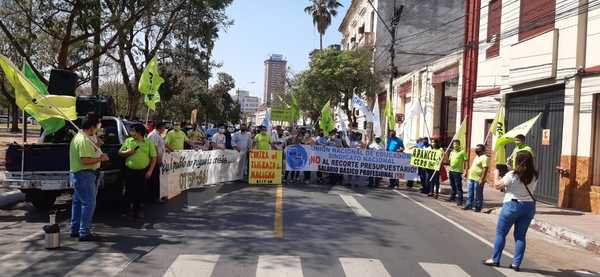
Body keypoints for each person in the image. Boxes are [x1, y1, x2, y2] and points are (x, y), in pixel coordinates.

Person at [483, 151, 538, 271]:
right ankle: (516, 264)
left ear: (517, 161)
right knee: (520, 236)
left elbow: (497, 186)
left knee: (501, 233)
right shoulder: (534, 175)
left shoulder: (512, 175)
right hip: (528, 207)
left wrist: (497, 174)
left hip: (512, 205)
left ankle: (495, 259)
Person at [69, 116, 109, 241]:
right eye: (97, 126)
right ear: (91, 127)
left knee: (78, 202)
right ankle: (84, 232)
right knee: (89, 203)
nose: (98, 128)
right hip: (84, 174)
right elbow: (85, 160)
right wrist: (100, 159)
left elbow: (88, 153)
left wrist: (96, 144)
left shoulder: (80, 137)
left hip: (79, 174)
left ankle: (75, 229)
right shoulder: (84, 140)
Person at [119, 124, 157, 218]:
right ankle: (126, 210)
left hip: (143, 171)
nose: (132, 133)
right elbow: (120, 152)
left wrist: (150, 171)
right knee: (128, 191)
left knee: (141, 192)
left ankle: (138, 211)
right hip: (129, 171)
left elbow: (154, 158)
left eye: (133, 131)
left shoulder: (148, 142)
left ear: (139, 132)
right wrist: (128, 152)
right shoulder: (128, 140)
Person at [464, 144, 489, 212]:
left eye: (478, 149)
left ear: (482, 150)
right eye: (476, 149)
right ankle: (469, 204)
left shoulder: (485, 157)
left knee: (478, 193)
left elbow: (485, 169)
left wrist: (482, 179)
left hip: (478, 178)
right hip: (471, 177)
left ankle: (478, 206)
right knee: (470, 192)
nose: (476, 150)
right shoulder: (477, 156)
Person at [147, 122, 166, 202]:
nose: (164, 129)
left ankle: (154, 197)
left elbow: (160, 146)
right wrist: (158, 159)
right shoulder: (154, 135)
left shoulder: (157, 135)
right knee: (154, 180)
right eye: (164, 128)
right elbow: (154, 148)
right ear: (160, 127)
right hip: (153, 161)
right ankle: (154, 198)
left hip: (156, 160)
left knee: (155, 179)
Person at [448, 139, 468, 205]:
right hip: (451, 170)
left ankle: (460, 200)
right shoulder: (452, 152)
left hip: (458, 172)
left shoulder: (462, 152)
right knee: (452, 185)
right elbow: (449, 161)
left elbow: (466, 161)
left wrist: (466, 170)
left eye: (456, 144)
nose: (455, 145)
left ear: (459, 145)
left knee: (458, 186)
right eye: (454, 144)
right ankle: (452, 197)